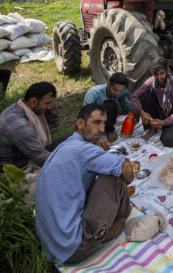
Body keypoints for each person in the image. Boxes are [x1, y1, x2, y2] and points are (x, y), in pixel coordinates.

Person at [35, 103, 135, 263]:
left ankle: (103, 225)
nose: (102, 129)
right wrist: (126, 168)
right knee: (114, 175)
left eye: (103, 123)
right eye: (96, 122)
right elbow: (126, 171)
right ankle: (118, 222)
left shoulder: (66, 145)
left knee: (106, 169)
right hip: (73, 248)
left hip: (52, 245)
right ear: (80, 123)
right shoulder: (83, 150)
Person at [0, 82, 60, 174]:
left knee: (72, 139)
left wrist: (51, 109)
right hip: (16, 171)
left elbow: (54, 122)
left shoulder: (21, 107)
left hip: (25, 156)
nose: (50, 107)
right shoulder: (20, 125)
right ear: (33, 101)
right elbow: (41, 158)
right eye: (47, 103)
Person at [131, 57, 173, 147]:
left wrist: (164, 123)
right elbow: (134, 96)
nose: (159, 77)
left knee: (168, 140)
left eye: (162, 73)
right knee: (145, 97)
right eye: (156, 74)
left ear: (168, 71)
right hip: (162, 110)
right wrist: (142, 113)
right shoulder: (152, 81)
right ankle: (153, 129)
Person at [82, 72, 134, 143]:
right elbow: (85, 114)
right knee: (110, 105)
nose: (117, 93)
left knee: (112, 105)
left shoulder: (122, 91)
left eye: (120, 91)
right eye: (115, 90)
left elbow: (124, 102)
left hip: (107, 119)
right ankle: (110, 130)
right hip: (93, 118)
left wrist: (133, 112)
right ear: (108, 84)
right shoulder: (93, 93)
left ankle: (108, 128)